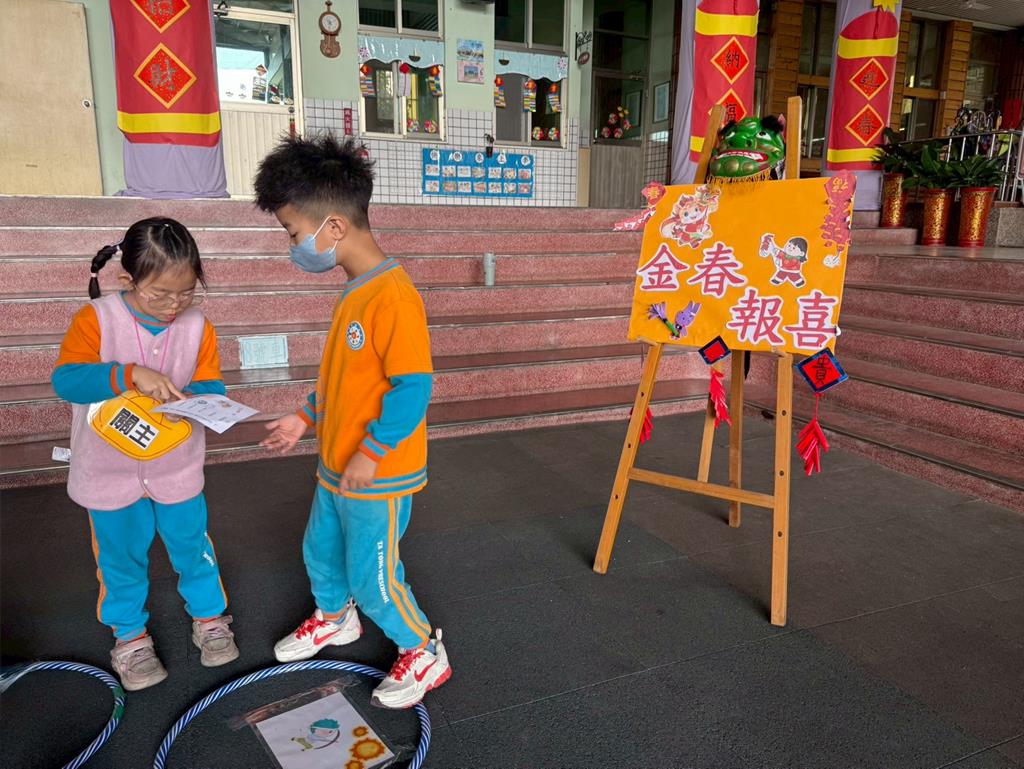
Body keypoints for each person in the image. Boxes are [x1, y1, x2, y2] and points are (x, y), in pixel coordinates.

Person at [254, 135, 450, 710]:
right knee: (320, 551)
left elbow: (413, 388)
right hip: (335, 466)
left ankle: (423, 649)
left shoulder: (394, 297)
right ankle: (335, 617)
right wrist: (303, 417)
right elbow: (342, 381)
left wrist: (373, 451)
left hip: (376, 474)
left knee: (374, 577)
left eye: (294, 233)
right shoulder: (353, 292)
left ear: (334, 227)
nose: (294, 246)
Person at [51, 218, 239, 691]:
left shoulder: (199, 326)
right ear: (127, 279)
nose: (174, 305)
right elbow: (67, 381)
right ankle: (130, 638)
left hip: (176, 467)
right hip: (107, 473)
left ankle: (210, 618)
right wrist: (128, 374)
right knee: (119, 559)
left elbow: (211, 384)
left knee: (193, 547)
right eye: (159, 294)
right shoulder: (94, 319)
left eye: (186, 293)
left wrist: (201, 400)